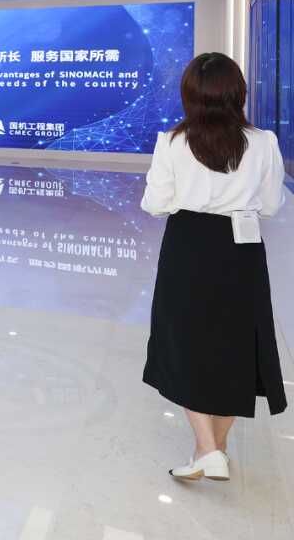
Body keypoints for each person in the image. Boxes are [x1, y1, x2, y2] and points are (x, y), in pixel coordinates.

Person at [141, 52, 287, 482]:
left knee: (183, 342)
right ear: (238, 93)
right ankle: (213, 449)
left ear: (189, 94)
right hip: (242, 247)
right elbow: (272, 205)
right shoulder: (263, 142)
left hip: (188, 245)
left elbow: (155, 204)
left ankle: (207, 449)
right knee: (236, 347)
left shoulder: (172, 142)